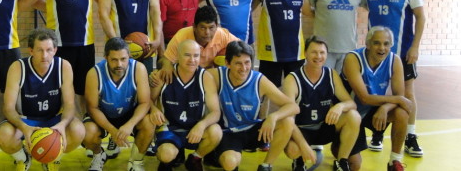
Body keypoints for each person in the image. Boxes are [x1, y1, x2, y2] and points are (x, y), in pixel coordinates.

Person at [20, 0, 101, 115]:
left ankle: (82, 129)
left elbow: (99, 0)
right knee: (59, 89)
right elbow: (30, 0)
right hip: (57, 44)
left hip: (84, 42)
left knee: (83, 91)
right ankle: (57, 129)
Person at [362, 0, 426, 156]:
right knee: (377, 91)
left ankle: (411, 135)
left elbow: (421, 16)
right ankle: (378, 132)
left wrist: (415, 46)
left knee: (407, 92)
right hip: (375, 52)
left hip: (402, 50)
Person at [0, 28, 85, 171]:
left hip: (53, 119)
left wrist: (62, 124)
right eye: (39, 50)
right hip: (25, 119)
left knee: (78, 130)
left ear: (55, 50)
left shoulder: (64, 66)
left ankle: (53, 156)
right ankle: (23, 158)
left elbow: (69, 104)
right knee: (4, 134)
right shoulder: (18, 67)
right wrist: (24, 127)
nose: (45, 55)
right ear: (31, 51)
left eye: (49, 50)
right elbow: (8, 107)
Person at [206, 40, 298, 171]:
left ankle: (266, 166)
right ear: (227, 63)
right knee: (229, 163)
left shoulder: (259, 80)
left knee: (287, 121)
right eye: (238, 63)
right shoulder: (216, 75)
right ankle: (218, 154)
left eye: (247, 63)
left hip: (253, 130)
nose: (244, 68)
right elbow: (192, 77)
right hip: (229, 133)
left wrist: (273, 117)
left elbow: (293, 107)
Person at [282, 36, 361, 171]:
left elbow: (351, 103)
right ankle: (298, 161)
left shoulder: (331, 74)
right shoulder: (292, 79)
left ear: (326, 54)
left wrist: (339, 106)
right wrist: (303, 145)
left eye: (322, 52)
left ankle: (342, 162)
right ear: (305, 53)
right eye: (314, 52)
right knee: (293, 150)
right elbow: (288, 118)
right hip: (301, 129)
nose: (318, 56)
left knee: (354, 116)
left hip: (324, 127)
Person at [342, 26, 411, 171]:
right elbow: (364, 98)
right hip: (350, 114)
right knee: (354, 164)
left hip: (372, 110)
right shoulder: (353, 58)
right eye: (376, 43)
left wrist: (385, 107)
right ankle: (339, 151)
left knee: (402, 113)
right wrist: (397, 100)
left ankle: (394, 162)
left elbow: (399, 96)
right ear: (367, 44)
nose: (382, 48)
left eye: (386, 44)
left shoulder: (394, 60)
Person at [148, 40, 222, 171]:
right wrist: (153, 109)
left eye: (196, 55)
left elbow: (216, 112)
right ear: (177, 56)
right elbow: (147, 100)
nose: (192, 60)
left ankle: (195, 159)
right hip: (170, 128)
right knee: (166, 154)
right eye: (187, 55)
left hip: (194, 129)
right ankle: (168, 160)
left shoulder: (205, 77)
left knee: (216, 132)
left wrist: (201, 125)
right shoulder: (163, 75)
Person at [83, 37, 154, 171]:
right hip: (104, 114)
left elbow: (144, 103)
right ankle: (98, 155)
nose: (119, 64)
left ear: (129, 56)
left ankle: (135, 162)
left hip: (129, 113)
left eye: (123, 59)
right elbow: (92, 108)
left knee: (149, 123)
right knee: (87, 132)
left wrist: (130, 124)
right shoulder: (94, 73)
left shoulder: (138, 69)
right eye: (114, 60)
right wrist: (113, 131)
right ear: (105, 57)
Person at [252, 0, 307, 87]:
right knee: (267, 91)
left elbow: (308, 11)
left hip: (296, 51)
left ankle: (293, 109)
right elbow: (248, 11)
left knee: (296, 90)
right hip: (270, 52)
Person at [154, 5, 239, 87]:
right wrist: (167, 65)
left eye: (211, 28)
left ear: (216, 26)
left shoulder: (222, 35)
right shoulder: (182, 36)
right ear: (194, 26)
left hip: (209, 75)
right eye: (203, 28)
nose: (207, 32)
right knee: (158, 76)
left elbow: (243, 49)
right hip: (185, 75)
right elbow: (165, 60)